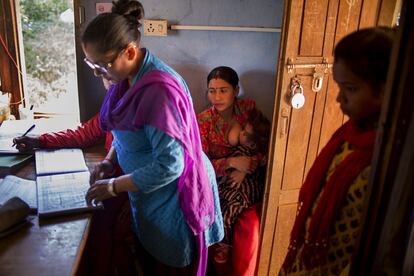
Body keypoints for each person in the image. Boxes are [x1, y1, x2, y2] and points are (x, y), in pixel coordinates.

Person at [81, 1, 224, 275]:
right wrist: (110, 162)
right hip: (148, 191)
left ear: (130, 51)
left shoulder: (159, 93)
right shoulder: (126, 78)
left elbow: (171, 165)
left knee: (171, 265)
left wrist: (113, 186)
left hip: (174, 196)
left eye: (102, 65)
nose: (99, 73)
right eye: (92, 65)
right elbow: (125, 133)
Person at [280, 27, 396, 275]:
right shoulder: (349, 136)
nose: (339, 98)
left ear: (387, 89)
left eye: (351, 88)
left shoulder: (390, 160)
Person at [12, 81, 136, 276]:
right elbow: (84, 134)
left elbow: (152, 169)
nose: (102, 78)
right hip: (113, 183)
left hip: (132, 190)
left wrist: (132, 202)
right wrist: (40, 140)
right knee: (94, 223)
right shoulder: (113, 102)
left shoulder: (141, 110)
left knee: (104, 229)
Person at [197, 66, 268, 274]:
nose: (216, 97)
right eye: (212, 90)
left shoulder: (249, 110)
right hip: (217, 181)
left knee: (249, 223)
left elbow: (265, 144)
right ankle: (219, 250)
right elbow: (201, 163)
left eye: (223, 90)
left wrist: (247, 167)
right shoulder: (203, 121)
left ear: (236, 90)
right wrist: (230, 163)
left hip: (251, 177)